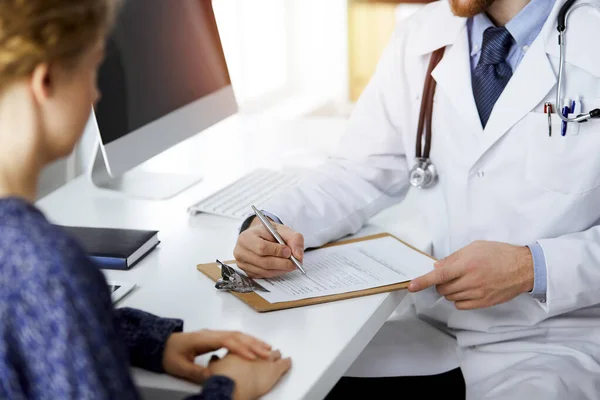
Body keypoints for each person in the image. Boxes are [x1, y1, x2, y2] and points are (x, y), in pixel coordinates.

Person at [234, 0, 600, 398]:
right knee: (279, 383)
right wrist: (273, 221)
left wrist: (533, 267)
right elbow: (357, 170)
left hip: (560, 339)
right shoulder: (422, 34)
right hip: (430, 325)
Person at [0, 1, 291, 399]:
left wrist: (152, 342)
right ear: (45, 81)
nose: (97, 92)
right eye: (93, 69)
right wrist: (231, 390)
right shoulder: (48, 269)